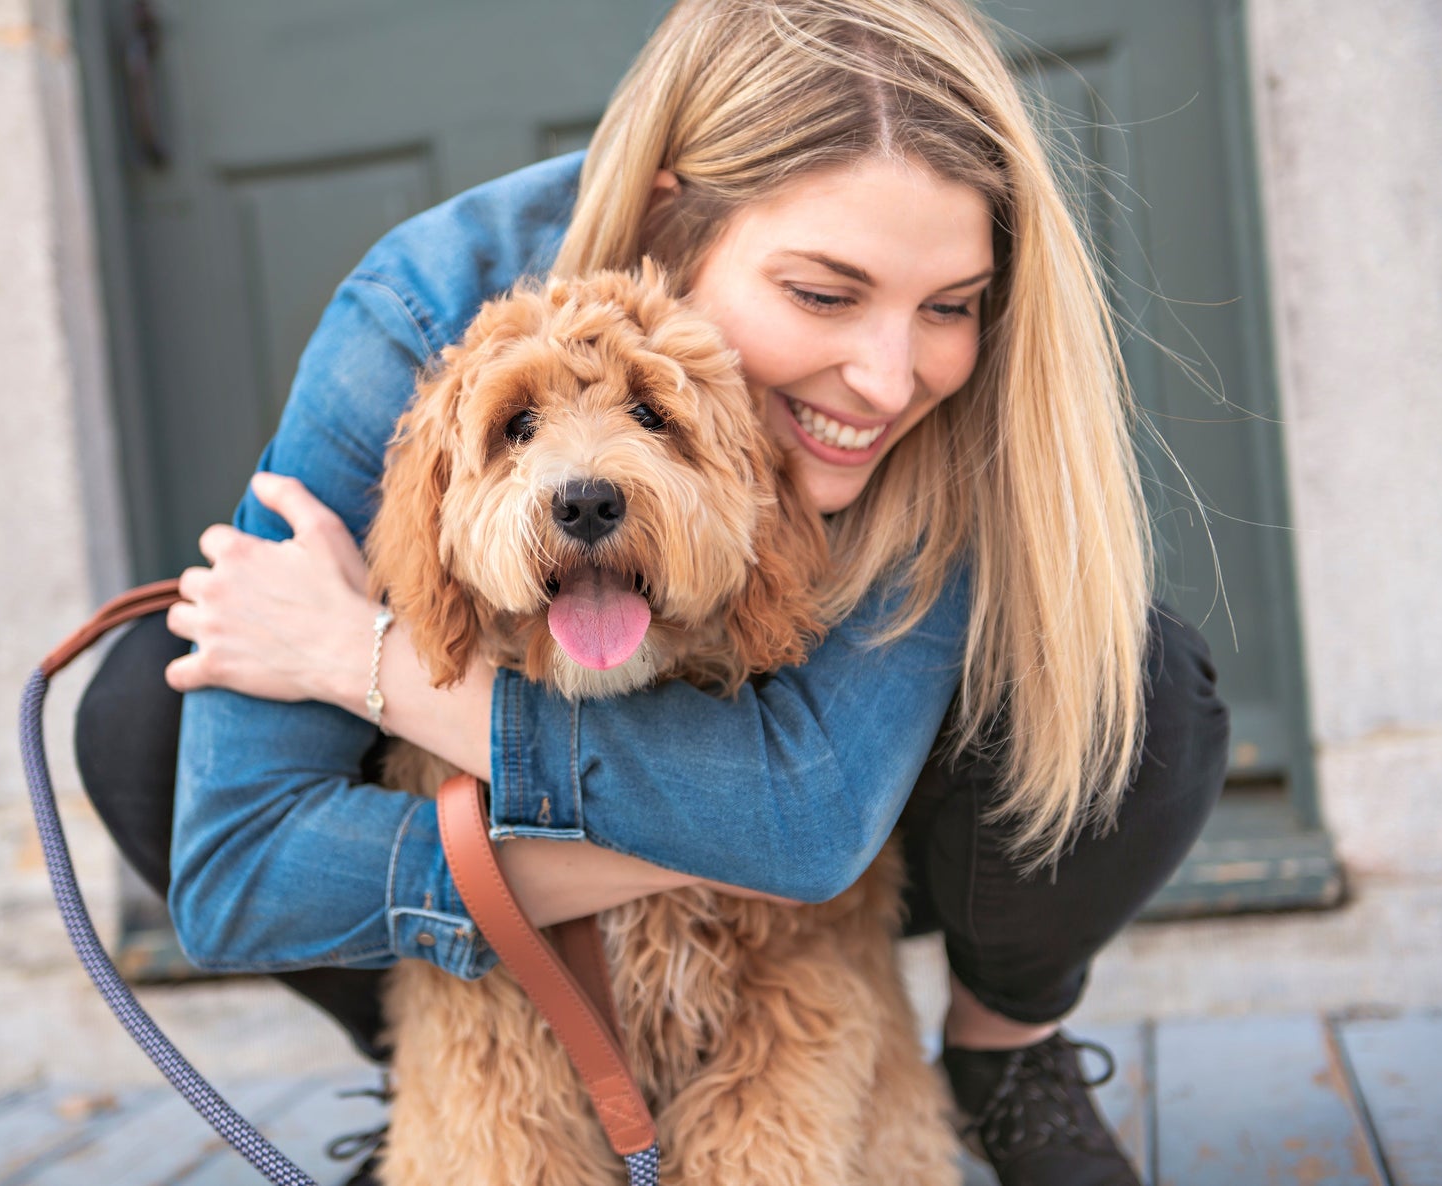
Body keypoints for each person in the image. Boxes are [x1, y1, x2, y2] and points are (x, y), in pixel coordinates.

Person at [86, 2, 1230, 1182]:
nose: (889, 380)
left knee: (1133, 686)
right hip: (584, 845)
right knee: (156, 696)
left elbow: (815, 826)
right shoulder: (421, 310)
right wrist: (576, 835)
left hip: (865, 816)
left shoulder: (962, 394)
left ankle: (1006, 1051)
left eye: (948, 305)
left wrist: (364, 663)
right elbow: (236, 880)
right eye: (823, 294)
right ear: (669, 214)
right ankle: (458, 1086)